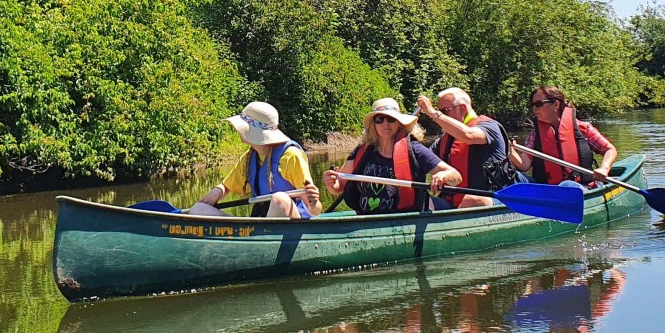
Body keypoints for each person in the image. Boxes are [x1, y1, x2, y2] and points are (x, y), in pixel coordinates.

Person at [322, 98, 462, 214]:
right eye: (379, 119)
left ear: (399, 123)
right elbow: (338, 187)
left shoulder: (414, 149)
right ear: (373, 124)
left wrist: (442, 177)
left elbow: (455, 176)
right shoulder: (362, 150)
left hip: (403, 219)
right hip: (366, 218)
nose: (385, 123)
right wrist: (331, 183)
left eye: (391, 119)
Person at [190, 101, 322, 218]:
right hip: (260, 221)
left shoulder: (291, 156)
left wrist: (314, 202)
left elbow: (315, 211)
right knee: (198, 209)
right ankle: (247, 237)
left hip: (294, 223)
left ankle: (262, 238)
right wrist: (217, 192)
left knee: (280, 199)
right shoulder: (249, 158)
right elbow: (227, 186)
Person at [417, 88, 522, 209]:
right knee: (423, 201)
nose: (440, 116)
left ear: (462, 108)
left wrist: (432, 112)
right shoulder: (444, 140)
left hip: (495, 198)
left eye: (444, 111)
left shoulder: (490, 127)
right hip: (454, 204)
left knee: (473, 200)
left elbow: (468, 135)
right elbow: (420, 159)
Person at [508, 86, 618, 186]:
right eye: (532, 105)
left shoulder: (583, 128)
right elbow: (524, 165)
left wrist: (604, 168)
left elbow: (610, 149)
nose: (534, 109)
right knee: (512, 176)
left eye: (538, 104)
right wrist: (510, 150)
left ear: (556, 104)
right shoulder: (535, 136)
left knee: (567, 185)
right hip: (547, 189)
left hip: (579, 187)